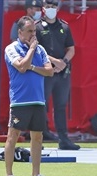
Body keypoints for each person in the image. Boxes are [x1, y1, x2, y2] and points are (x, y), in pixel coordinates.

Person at [4, 16, 54, 176]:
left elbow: (49, 71)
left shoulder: (40, 50)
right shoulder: (12, 48)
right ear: (20, 32)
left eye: (34, 31)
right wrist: (31, 50)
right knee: (13, 136)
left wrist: (33, 66)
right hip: (20, 100)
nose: (33, 34)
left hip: (38, 100)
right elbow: (22, 66)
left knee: (38, 137)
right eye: (29, 31)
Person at [36, 0, 80, 150]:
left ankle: (64, 139)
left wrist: (63, 62)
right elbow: (36, 51)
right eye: (48, 7)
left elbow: (71, 49)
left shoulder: (64, 26)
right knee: (41, 105)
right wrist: (54, 62)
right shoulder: (37, 27)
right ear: (43, 9)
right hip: (45, 71)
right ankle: (38, 138)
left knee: (61, 106)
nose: (50, 9)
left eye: (53, 7)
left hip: (62, 73)